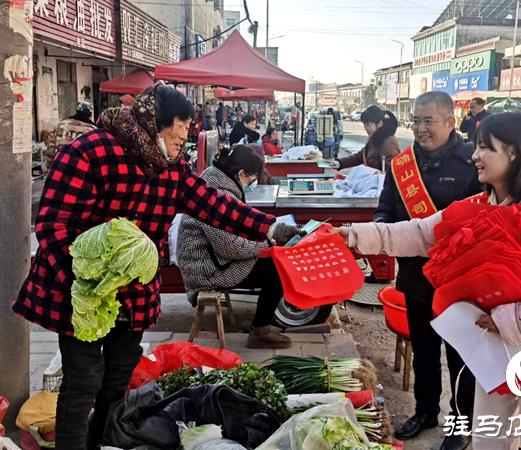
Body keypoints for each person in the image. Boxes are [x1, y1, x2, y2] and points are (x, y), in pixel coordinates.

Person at [12, 85, 304, 450]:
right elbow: (53, 225)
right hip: (79, 291)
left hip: (132, 292)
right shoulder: (88, 153)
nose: (186, 133)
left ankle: (102, 441)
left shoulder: (173, 169)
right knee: (83, 379)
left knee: (118, 377)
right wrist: (87, 283)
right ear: (154, 123)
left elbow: (215, 205)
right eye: (180, 124)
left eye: (189, 124)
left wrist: (271, 227)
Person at [332, 112, 521, 450]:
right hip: (494, 346)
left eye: (485, 148)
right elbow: (420, 233)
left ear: (514, 153)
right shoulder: (477, 206)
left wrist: (511, 319)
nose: (474, 156)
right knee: (490, 434)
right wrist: (354, 236)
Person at [357, 92, 484, 449]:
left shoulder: (471, 163)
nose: (421, 128)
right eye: (416, 120)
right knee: (424, 351)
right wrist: (381, 233)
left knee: (460, 357)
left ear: (449, 122)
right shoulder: (402, 165)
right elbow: (385, 209)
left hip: (458, 282)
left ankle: (461, 425)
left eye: (429, 121)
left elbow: (485, 220)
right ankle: (426, 411)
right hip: (415, 278)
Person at [176, 145, 291, 349]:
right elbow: (228, 247)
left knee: (274, 260)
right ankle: (260, 331)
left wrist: (265, 235)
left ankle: (262, 322)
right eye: (251, 179)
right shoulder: (218, 192)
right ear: (240, 174)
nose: (252, 183)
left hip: (214, 260)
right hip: (206, 269)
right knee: (277, 269)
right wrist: (266, 244)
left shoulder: (217, 183)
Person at [331, 106, 401, 172]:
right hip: (371, 181)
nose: (365, 128)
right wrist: (339, 163)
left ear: (380, 123)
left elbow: (391, 172)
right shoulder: (374, 138)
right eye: (364, 124)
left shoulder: (388, 142)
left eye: (368, 125)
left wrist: (379, 174)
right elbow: (361, 156)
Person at [43, 101, 96, 169]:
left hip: (60, 166)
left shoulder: (61, 125)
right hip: (81, 170)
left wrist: (49, 166)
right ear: (90, 114)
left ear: (76, 111)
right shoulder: (92, 130)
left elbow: (51, 148)